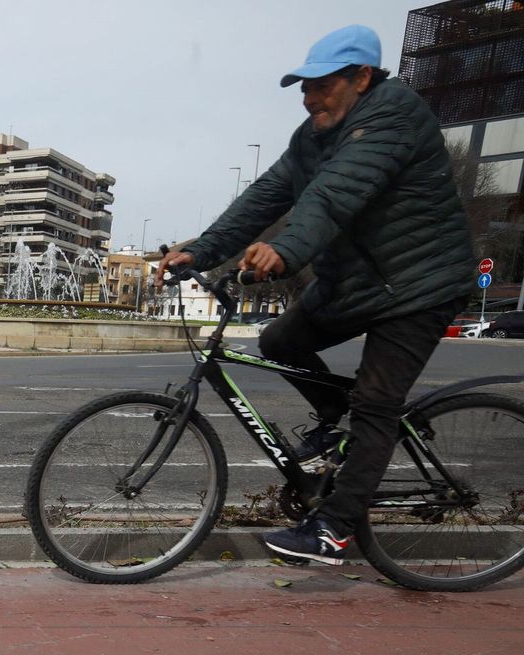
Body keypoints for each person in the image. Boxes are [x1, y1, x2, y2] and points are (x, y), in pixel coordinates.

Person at [157, 24, 473, 565]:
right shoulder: (312, 137)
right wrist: (202, 251)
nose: (308, 99)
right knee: (280, 339)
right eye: (303, 87)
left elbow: (335, 194)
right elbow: (265, 197)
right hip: (356, 284)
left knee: (376, 404)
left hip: (420, 285)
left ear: (362, 78)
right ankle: (334, 419)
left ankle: (335, 527)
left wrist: (286, 249)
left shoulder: (393, 115)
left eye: (321, 86)